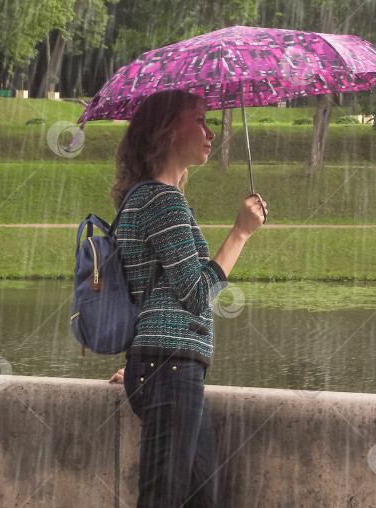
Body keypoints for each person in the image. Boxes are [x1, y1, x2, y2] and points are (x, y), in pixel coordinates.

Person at [107, 89, 267, 507]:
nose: (210, 132)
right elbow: (196, 296)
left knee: (202, 498)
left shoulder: (139, 198)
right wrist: (240, 233)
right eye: (199, 120)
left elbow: (141, 292)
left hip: (163, 365)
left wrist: (140, 359)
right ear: (168, 131)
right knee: (163, 498)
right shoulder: (163, 201)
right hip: (170, 368)